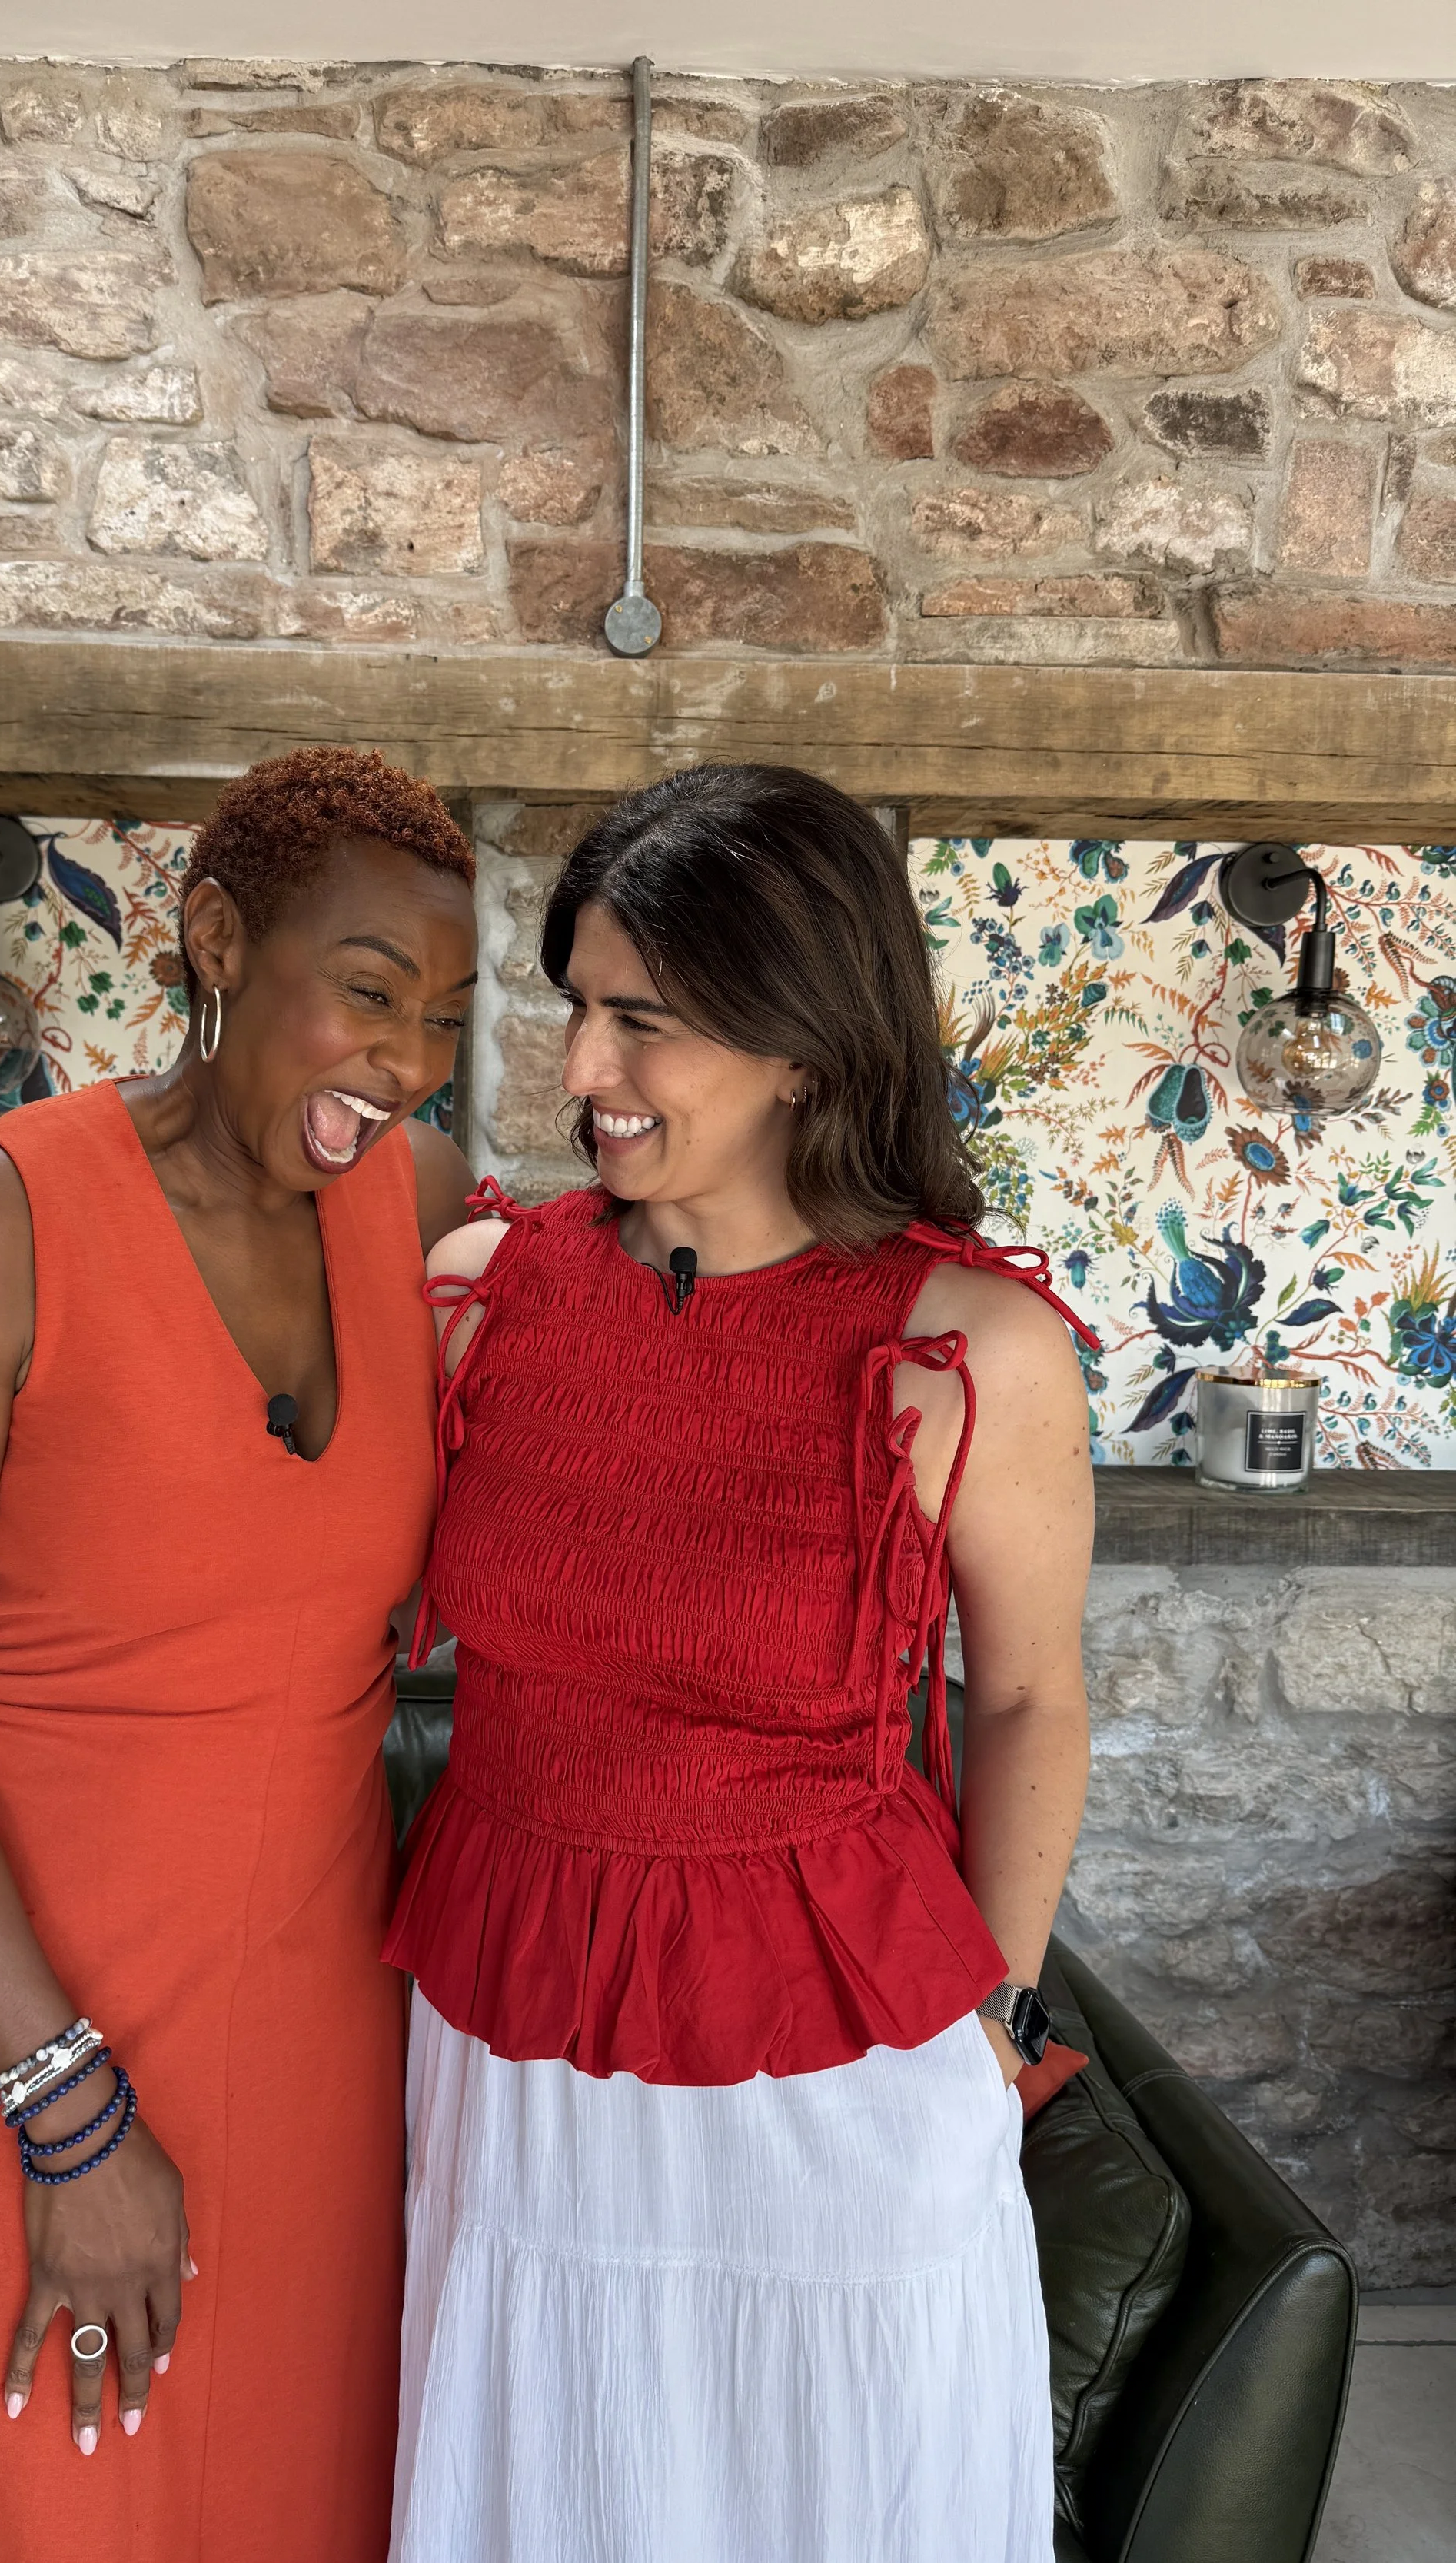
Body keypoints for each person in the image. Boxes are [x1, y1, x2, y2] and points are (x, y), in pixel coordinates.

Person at [385, 764, 1095, 2563]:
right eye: (574, 1011)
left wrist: (989, 2032)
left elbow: (1023, 1698)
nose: (581, 1074)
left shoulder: (966, 1348)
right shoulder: (477, 1290)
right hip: (515, 2052)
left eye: (642, 1021)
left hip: (835, 2077)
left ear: (800, 1041)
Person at [0, 748, 478, 2563]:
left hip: (317, 2039)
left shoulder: (416, 1206)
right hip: (14, 2029)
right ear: (213, 942)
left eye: (444, 1019)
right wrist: (70, 2116)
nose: (404, 1062)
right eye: (364, 995)